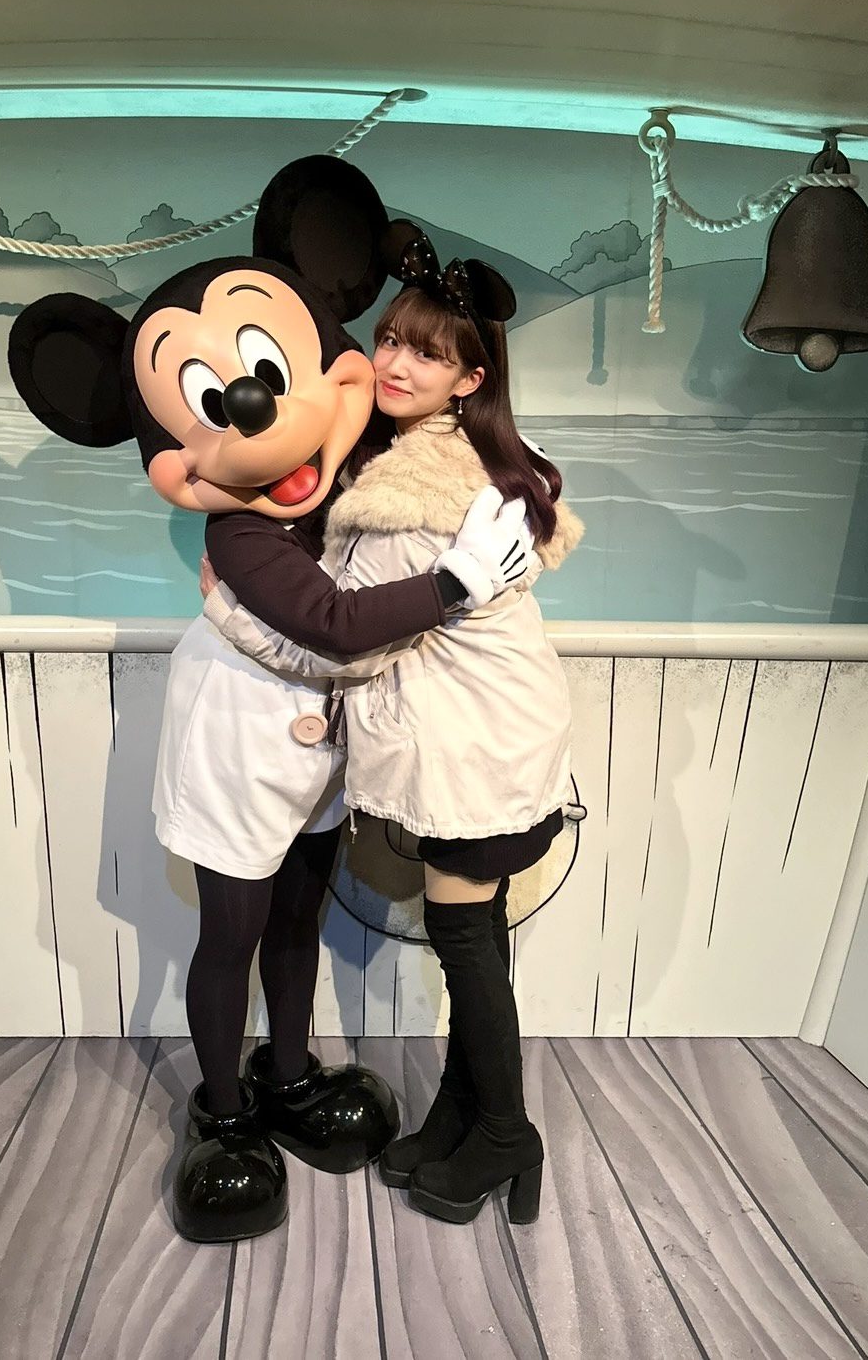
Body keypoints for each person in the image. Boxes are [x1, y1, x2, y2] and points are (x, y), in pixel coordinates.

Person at [8, 160, 535, 1243]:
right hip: (239, 733)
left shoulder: (359, 473)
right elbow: (334, 622)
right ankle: (225, 1105)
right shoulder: (237, 529)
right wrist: (454, 585)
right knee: (231, 929)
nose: (262, 411)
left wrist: (517, 495)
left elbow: (439, 435)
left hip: (325, 739)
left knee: (300, 914)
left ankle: (287, 1072)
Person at [201, 221, 583, 1227]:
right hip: (502, 734)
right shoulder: (466, 460)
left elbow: (346, 642)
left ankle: (505, 1132)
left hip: (473, 749)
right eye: (391, 338)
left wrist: (229, 610)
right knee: (477, 934)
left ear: (470, 380)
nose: (396, 363)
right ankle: (464, 1112)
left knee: (465, 941)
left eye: (429, 353)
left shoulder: (406, 498)